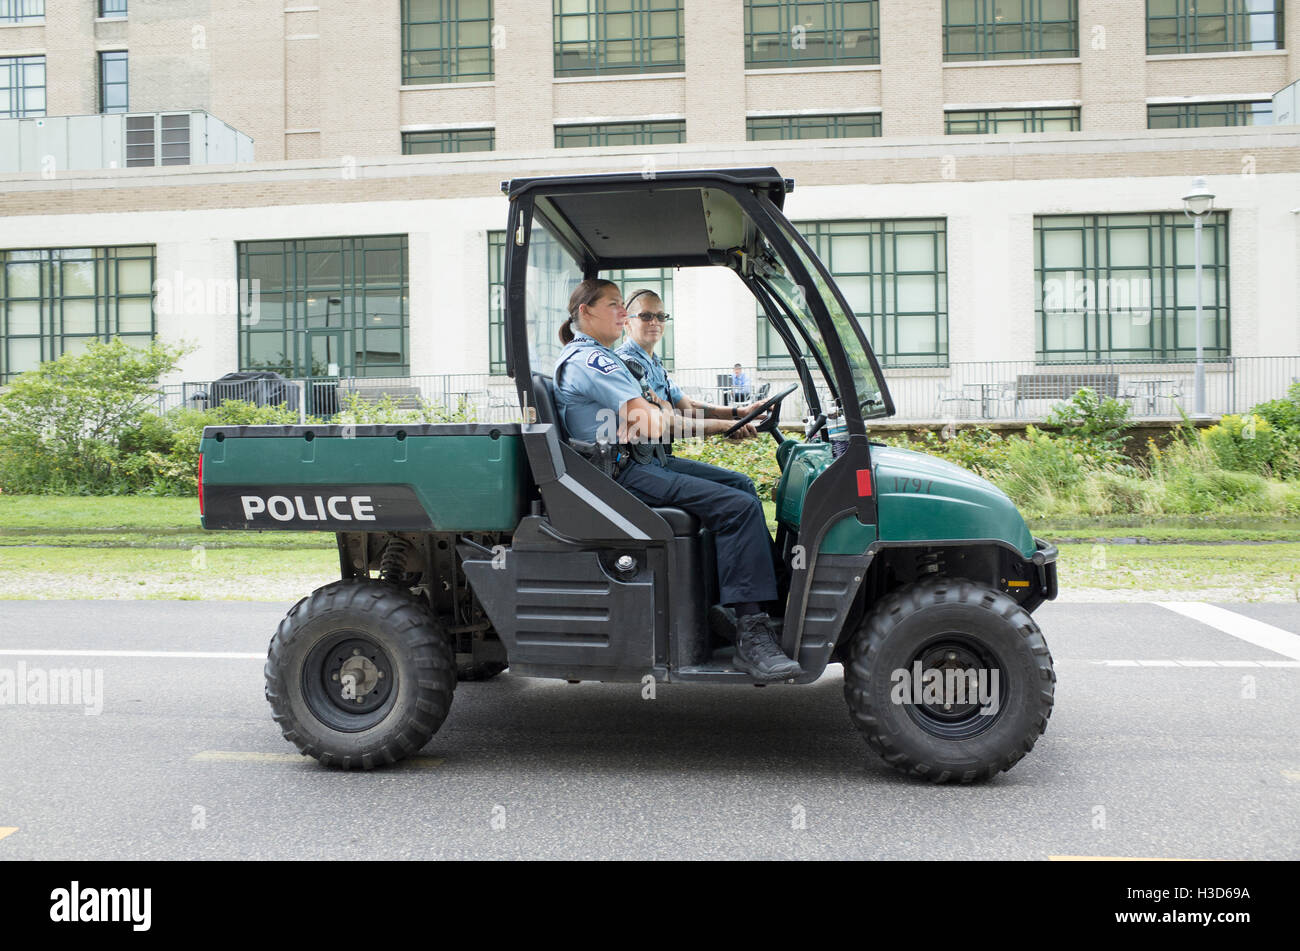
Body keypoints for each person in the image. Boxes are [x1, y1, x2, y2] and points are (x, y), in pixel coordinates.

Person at [554, 279, 801, 682]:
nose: (624, 313)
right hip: (621, 477)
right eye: (616, 306)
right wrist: (722, 427)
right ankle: (751, 632)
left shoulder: (601, 357)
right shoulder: (591, 361)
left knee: (740, 487)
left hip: (635, 465)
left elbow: (669, 412)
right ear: (585, 311)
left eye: (625, 305)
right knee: (737, 508)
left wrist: (731, 416)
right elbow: (652, 422)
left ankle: (740, 607)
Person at [614, 288, 762, 502]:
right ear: (627, 322)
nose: (655, 322)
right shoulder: (627, 364)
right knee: (739, 501)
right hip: (643, 465)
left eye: (661, 316)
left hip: (660, 458)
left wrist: (740, 412)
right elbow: (664, 423)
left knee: (742, 482)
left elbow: (688, 407)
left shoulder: (654, 364)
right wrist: (723, 427)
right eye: (646, 316)